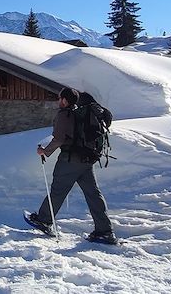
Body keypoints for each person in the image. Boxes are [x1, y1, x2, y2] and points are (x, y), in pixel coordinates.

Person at [27, 87, 116, 243]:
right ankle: (105, 231)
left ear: (65, 100)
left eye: (59, 98)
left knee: (58, 190)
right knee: (93, 194)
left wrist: (44, 151)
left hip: (70, 160)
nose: (57, 100)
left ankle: (44, 220)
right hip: (87, 159)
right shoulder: (80, 113)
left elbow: (59, 139)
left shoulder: (65, 115)